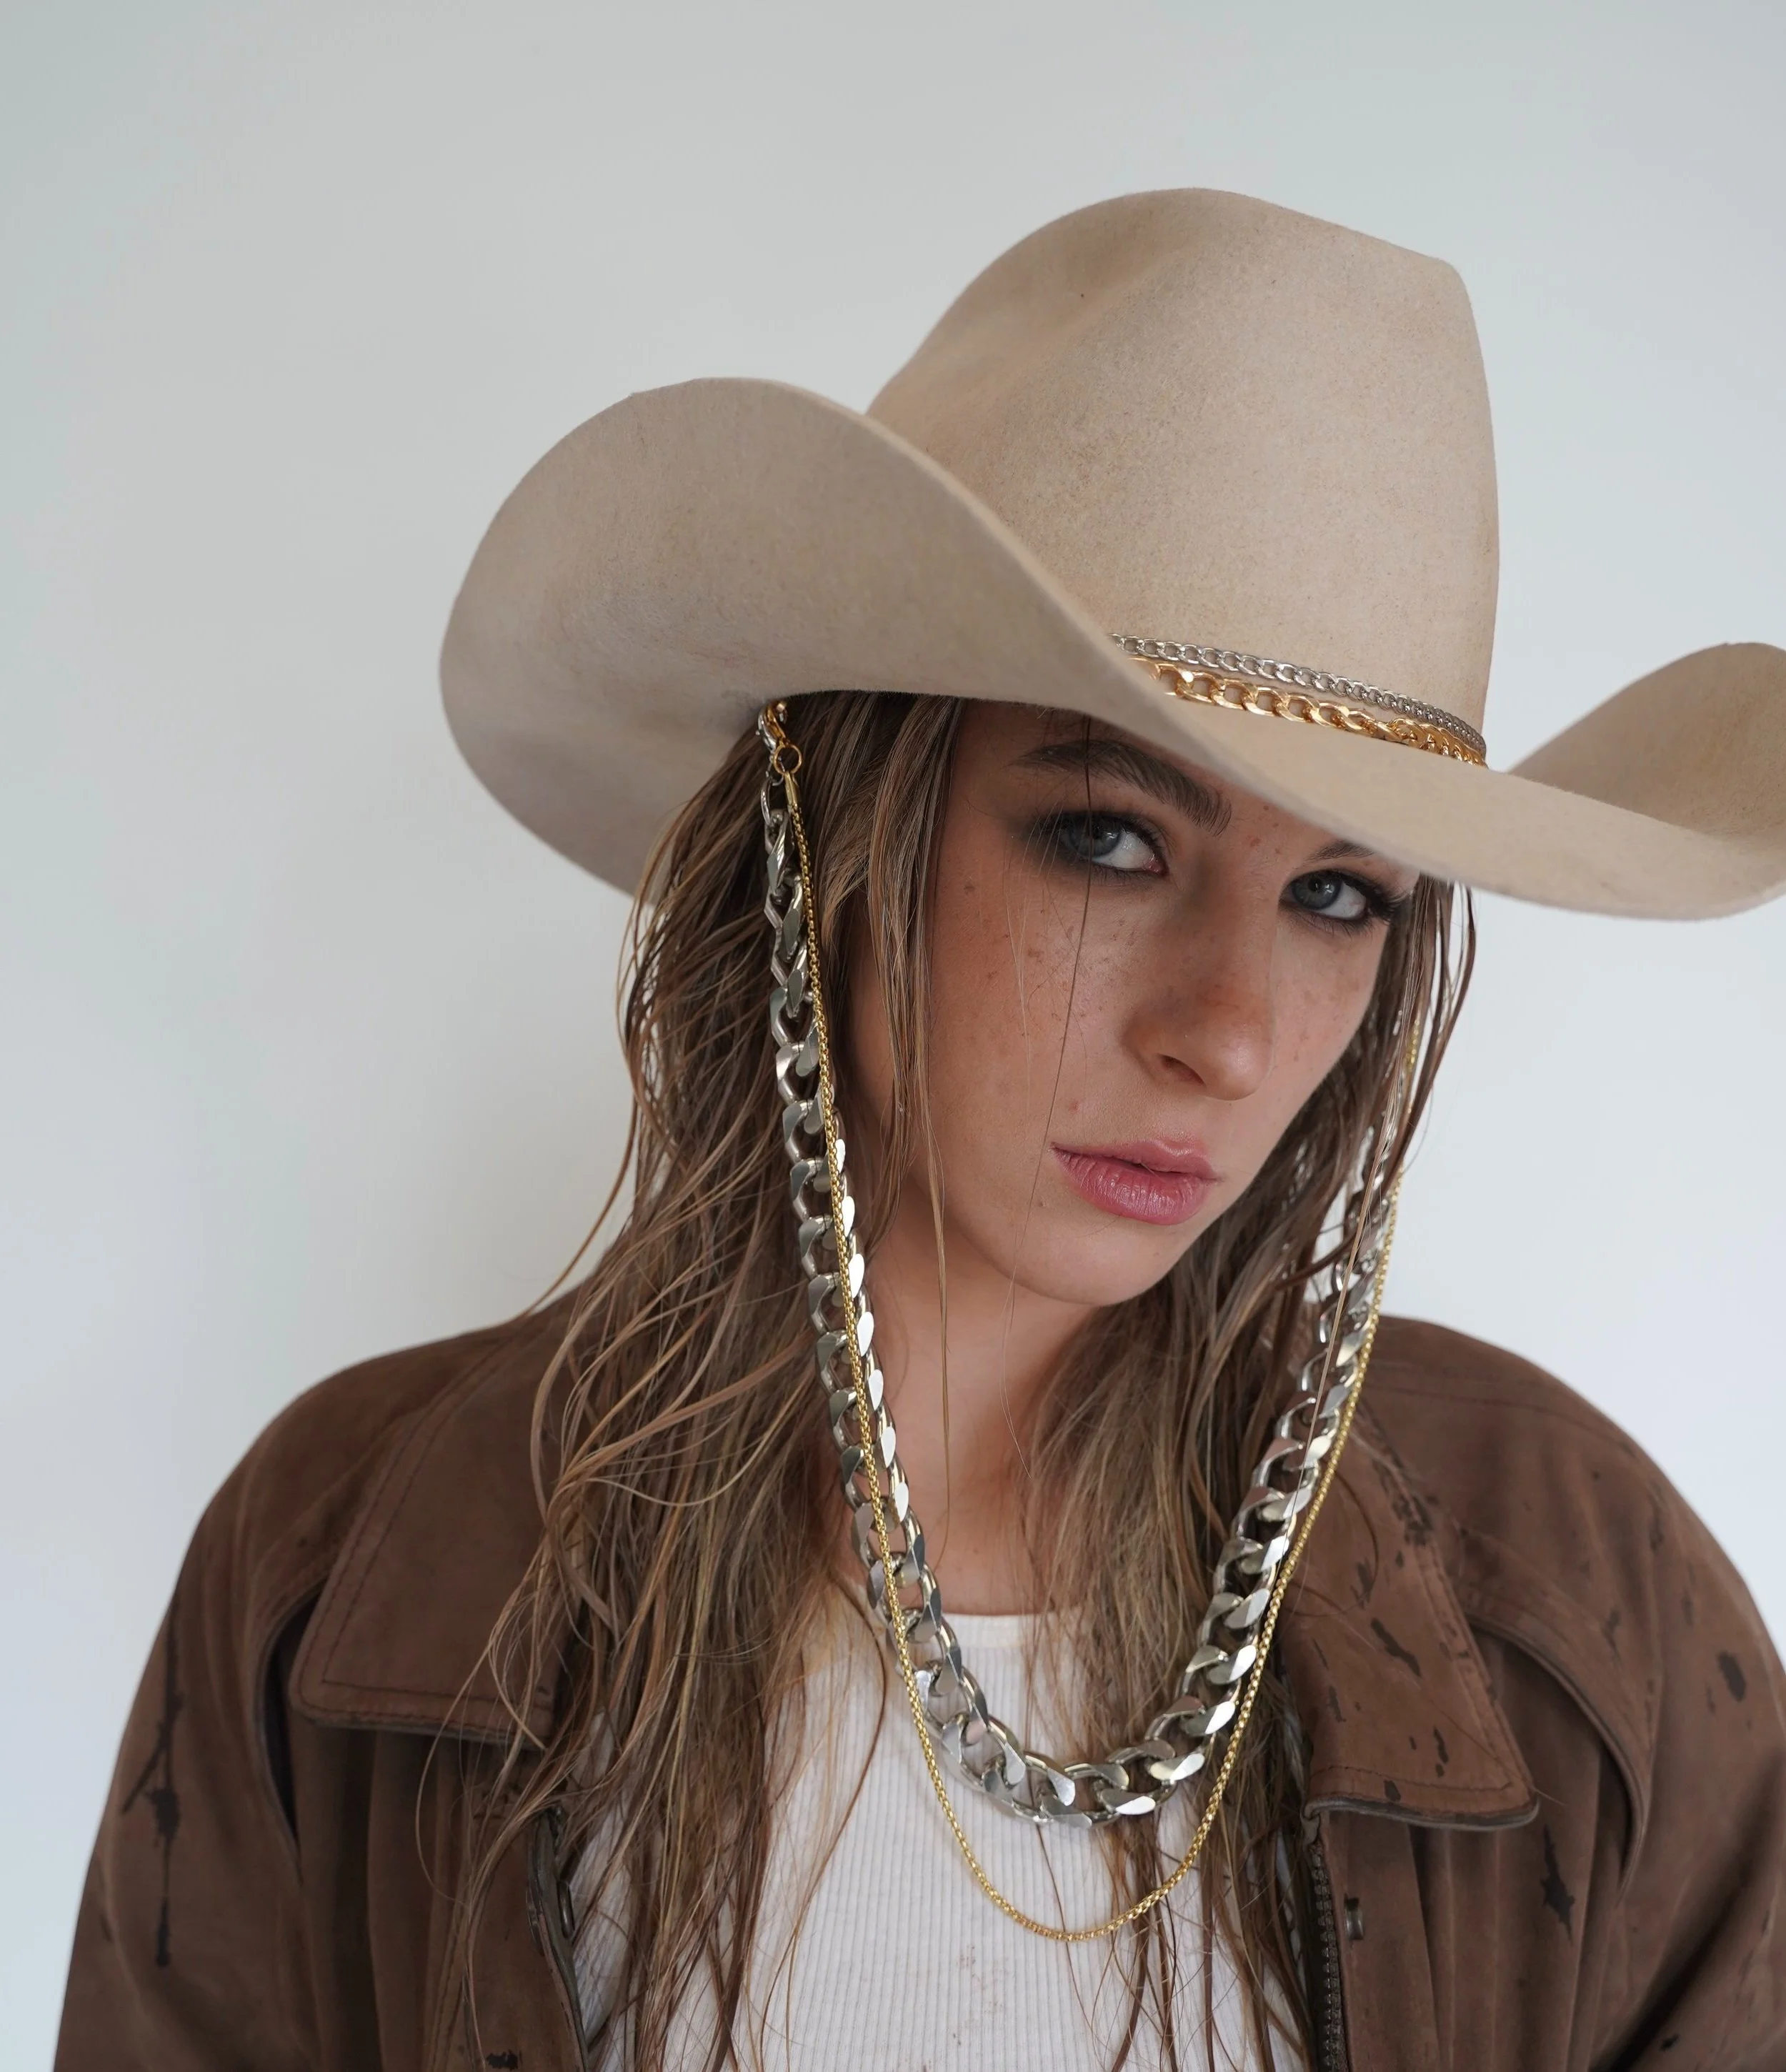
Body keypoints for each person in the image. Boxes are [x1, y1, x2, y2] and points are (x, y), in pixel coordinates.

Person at [56, 190, 1786, 2072]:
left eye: (1338, 898)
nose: (1222, 1031)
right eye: (1109, 839)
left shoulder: (1571, 1590)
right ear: (838, 845)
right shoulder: (355, 1561)